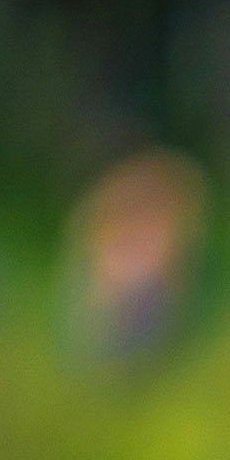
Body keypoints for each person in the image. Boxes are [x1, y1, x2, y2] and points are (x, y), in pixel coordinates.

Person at [62, 150, 209, 369]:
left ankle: (138, 357)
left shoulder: (170, 201)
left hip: (144, 295)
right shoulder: (108, 206)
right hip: (113, 298)